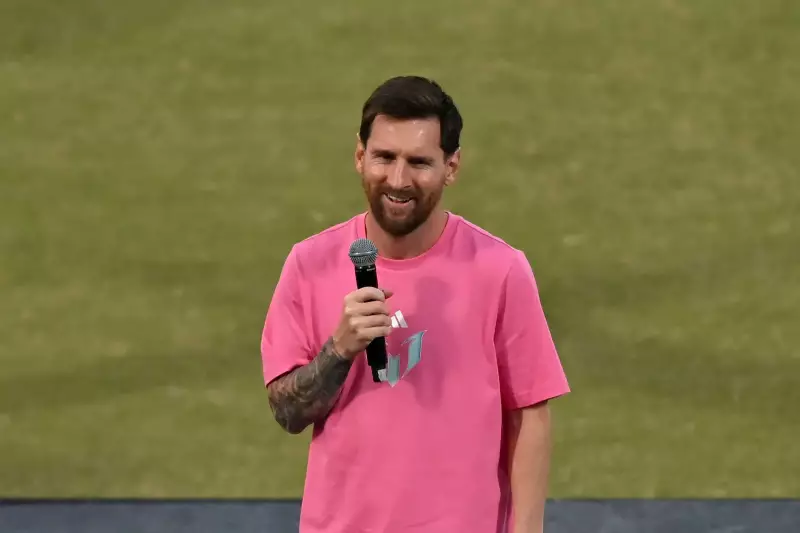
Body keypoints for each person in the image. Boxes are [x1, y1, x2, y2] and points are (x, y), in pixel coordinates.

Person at [260, 75, 570, 533]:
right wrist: (338, 350)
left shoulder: (500, 270)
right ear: (360, 156)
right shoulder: (309, 264)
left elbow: (529, 414)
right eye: (384, 157)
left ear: (451, 166)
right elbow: (287, 413)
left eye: (419, 162)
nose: (398, 180)